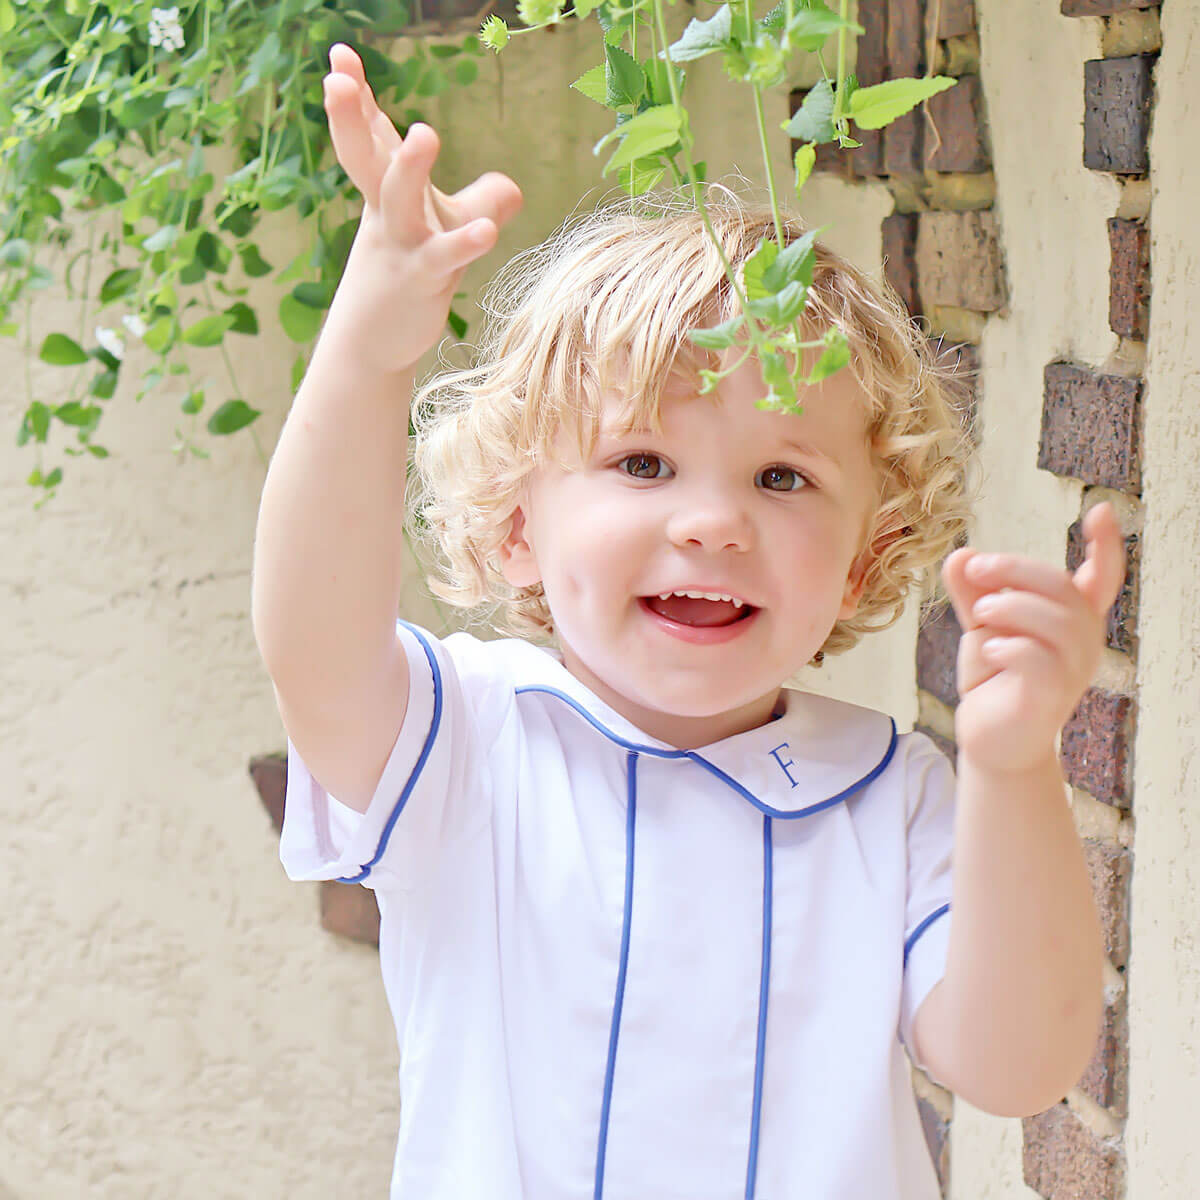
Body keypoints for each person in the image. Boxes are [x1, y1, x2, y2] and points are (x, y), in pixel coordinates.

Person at [251, 42, 1127, 1200]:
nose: (713, 524)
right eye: (645, 461)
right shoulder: (461, 744)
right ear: (518, 527)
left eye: (782, 479)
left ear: (867, 556)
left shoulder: (894, 796)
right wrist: (369, 343)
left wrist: (1015, 769)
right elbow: (311, 634)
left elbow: (1018, 1068)